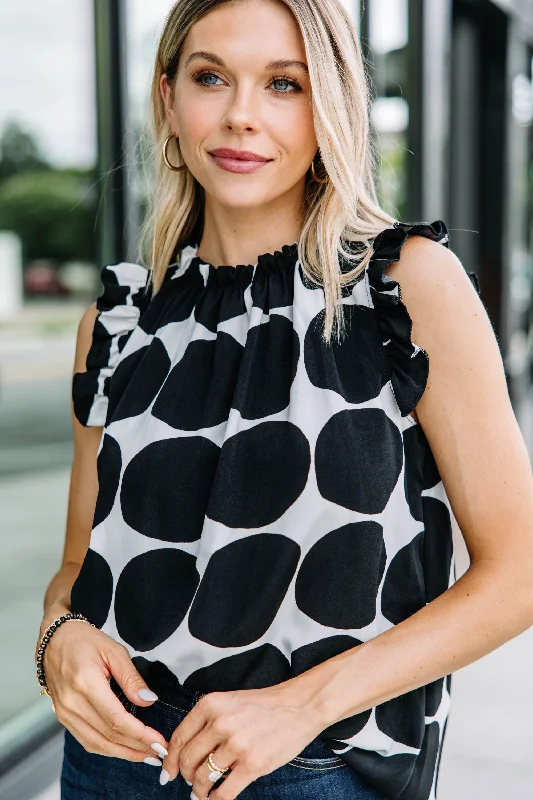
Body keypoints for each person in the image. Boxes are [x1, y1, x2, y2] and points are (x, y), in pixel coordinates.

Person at [35, 1, 533, 799]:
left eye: (282, 85)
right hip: (112, 764)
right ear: (168, 98)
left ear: (328, 106)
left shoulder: (397, 287)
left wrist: (302, 705)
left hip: (310, 767)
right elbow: (76, 569)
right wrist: (58, 638)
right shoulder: (121, 320)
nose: (240, 116)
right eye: (210, 78)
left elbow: (519, 574)